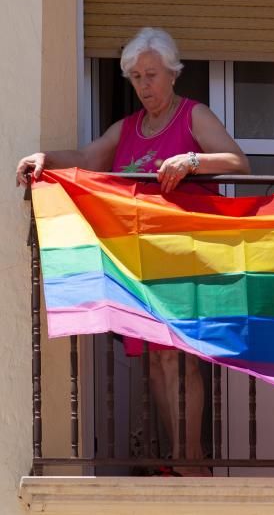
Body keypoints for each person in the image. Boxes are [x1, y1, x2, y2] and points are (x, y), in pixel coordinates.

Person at [17, 26, 250, 474]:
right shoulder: (126, 129)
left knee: (182, 360)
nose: (144, 86)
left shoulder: (193, 116)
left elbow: (239, 161)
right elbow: (88, 158)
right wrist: (44, 157)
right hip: (142, 263)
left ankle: (192, 458)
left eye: (152, 75)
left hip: (188, 257)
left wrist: (192, 160)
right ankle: (174, 458)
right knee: (159, 360)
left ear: (173, 74)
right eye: (136, 77)